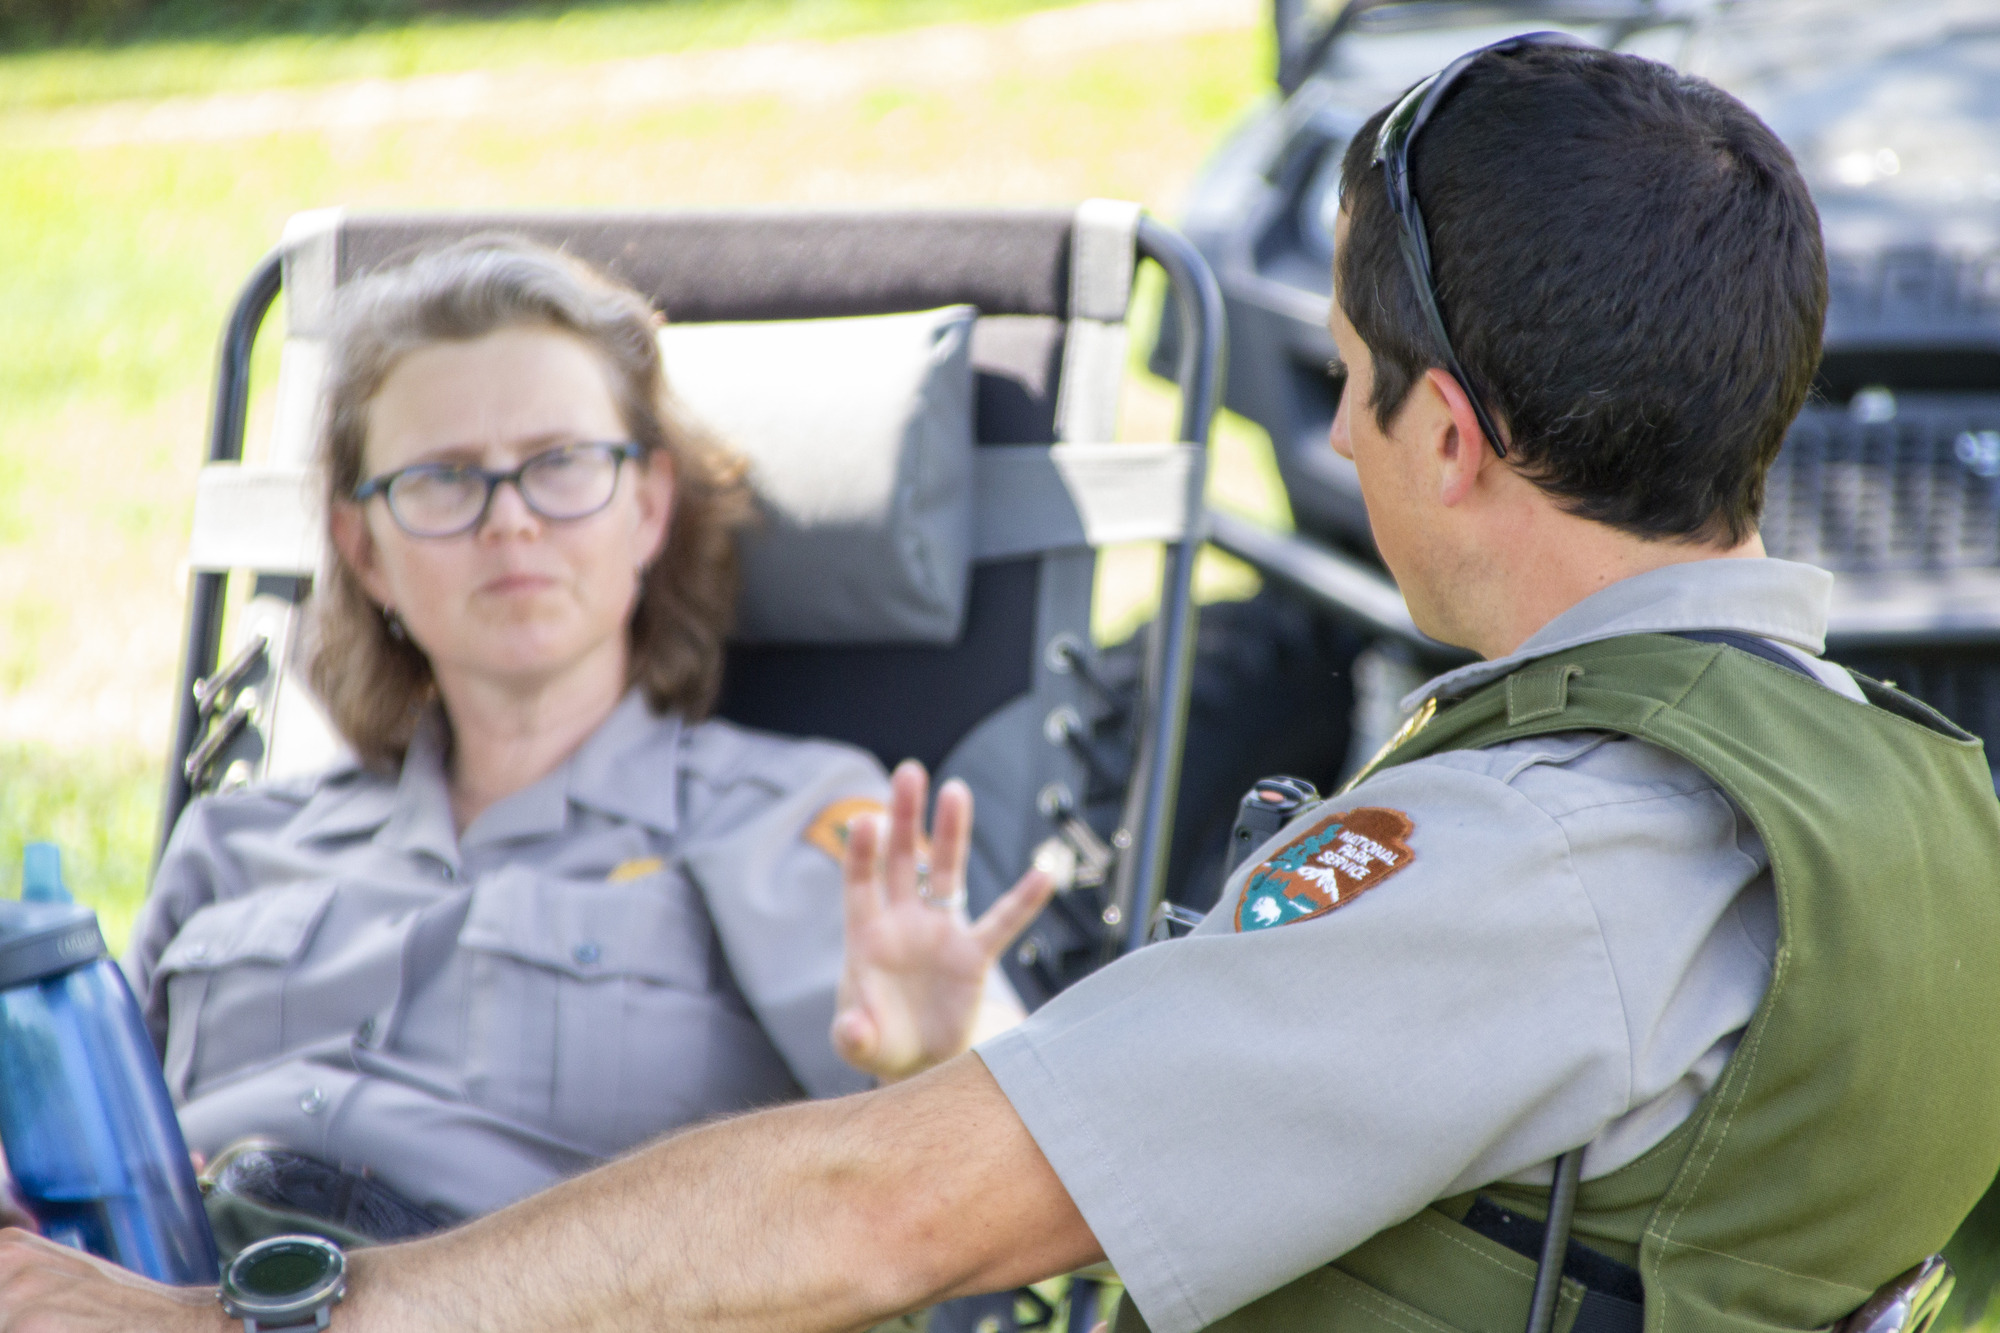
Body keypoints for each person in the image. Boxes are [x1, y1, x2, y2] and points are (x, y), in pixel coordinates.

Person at [7, 38, 2000, 1333]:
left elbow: (895, 1209)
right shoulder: (1926, 806)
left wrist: (227, 1320)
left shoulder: (1531, 855)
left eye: (1346, 374)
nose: (1333, 418)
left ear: (1449, 435)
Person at [28, 238, 1049, 1254]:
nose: (508, 520)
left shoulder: (785, 813)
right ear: (360, 548)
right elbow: (81, 1144)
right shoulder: (235, 840)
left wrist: (931, 1067)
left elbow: (971, 1173)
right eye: (441, 478)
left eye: (560, 464)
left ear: (647, 507)